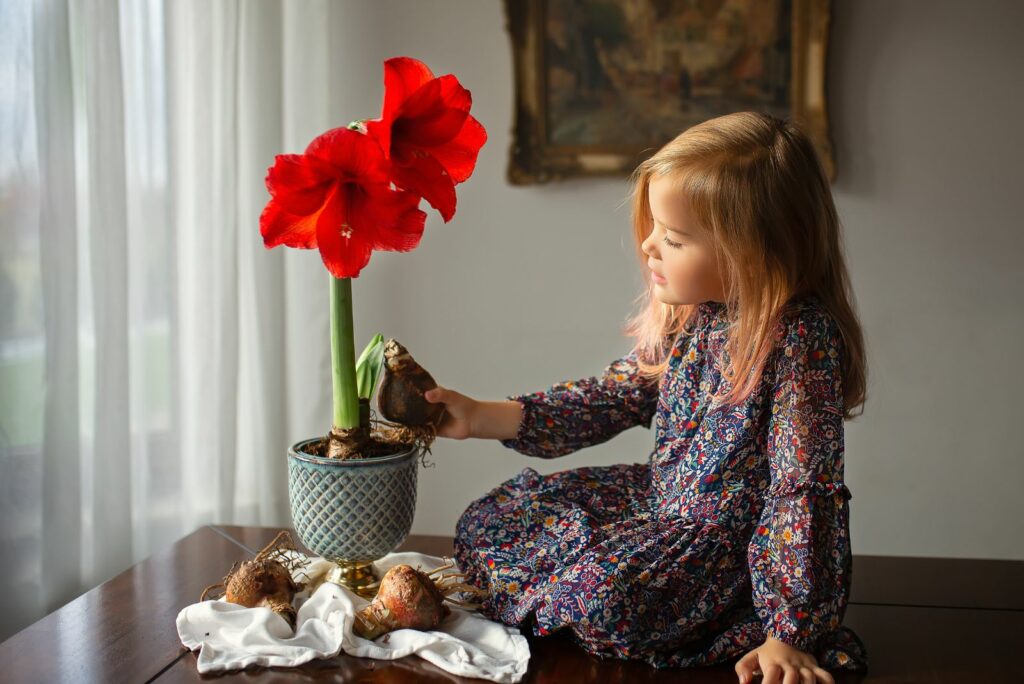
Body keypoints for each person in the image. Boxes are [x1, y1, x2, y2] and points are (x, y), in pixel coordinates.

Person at [424, 111, 869, 683]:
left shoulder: (798, 338)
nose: (649, 244)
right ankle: (577, 593)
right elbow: (614, 394)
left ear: (752, 252)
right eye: (655, 227)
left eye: (674, 238)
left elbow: (802, 489)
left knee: (607, 599)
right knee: (491, 519)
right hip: (657, 506)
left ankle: (753, 618)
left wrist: (791, 631)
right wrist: (482, 415)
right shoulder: (694, 315)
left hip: (731, 549)